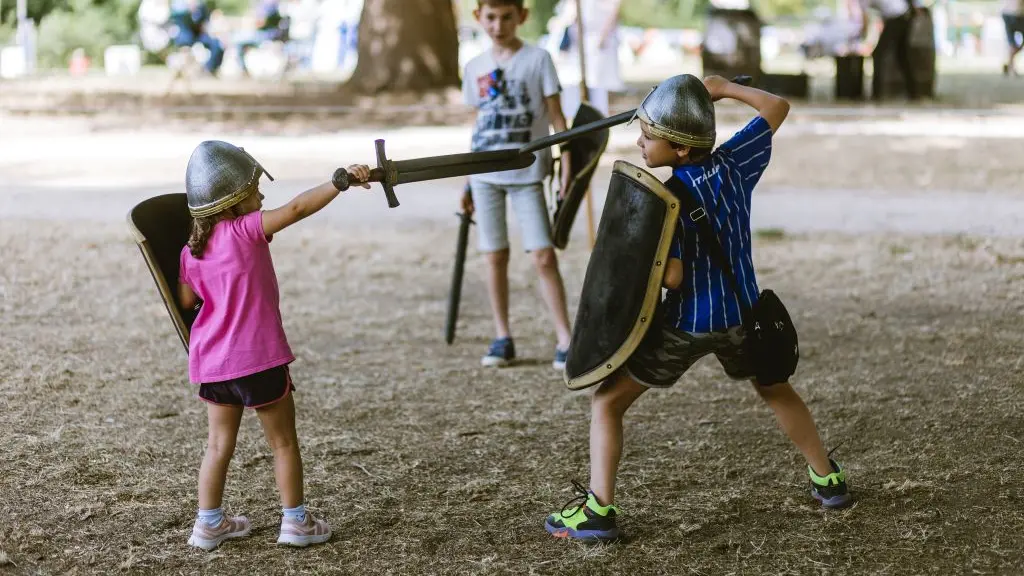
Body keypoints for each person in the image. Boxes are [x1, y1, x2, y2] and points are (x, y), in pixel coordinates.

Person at [544, 75, 852, 542]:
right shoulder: (736, 162)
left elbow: (672, 278)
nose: (640, 144)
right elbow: (777, 106)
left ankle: (598, 510)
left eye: (649, 137)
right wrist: (725, 88)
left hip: (689, 324)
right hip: (744, 316)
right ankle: (827, 479)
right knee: (775, 389)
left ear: (682, 150)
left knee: (607, 402)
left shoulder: (664, 201)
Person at [177, 140, 371, 550]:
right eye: (252, 190)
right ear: (230, 203)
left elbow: (186, 302)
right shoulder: (246, 230)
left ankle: (208, 524)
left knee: (216, 446)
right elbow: (297, 208)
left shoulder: (189, 252)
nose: (261, 196)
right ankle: (295, 522)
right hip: (259, 359)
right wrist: (339, 181)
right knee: (283, 442)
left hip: (214, 363)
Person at [461, 0, 574, 370]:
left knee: (542, 254)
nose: (498, 25)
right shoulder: (474, 67)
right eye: (490, 17)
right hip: (485, 175)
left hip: (526, 173)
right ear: (479, 18)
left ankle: (565, 338)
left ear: (521, 17)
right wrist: (467, 180)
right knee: (494, 255)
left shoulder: (538, 59)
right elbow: (479, 125)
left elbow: (558, 118)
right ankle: (502, 335)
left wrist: (567, 165)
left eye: (506, 17)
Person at [857, 0, 919, 100]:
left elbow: (865, 19)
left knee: (878, 54)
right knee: (902, 56)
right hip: (903, 15)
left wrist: (860, 38)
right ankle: (914, 92)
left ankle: (876, 94)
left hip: (896, 16)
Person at [168, 0, 225, 75]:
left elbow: (205, 22)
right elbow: (174, 18)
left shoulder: (201, 6)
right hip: (186, 36)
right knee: (185, 48)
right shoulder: (179, 7)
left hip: (200, 35)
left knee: (217, 44)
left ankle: (209, 68)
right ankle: (185, 70)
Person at [234, 0, 287, 76]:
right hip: (264, 34)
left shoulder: (270, 5)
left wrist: (254, 22)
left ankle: (243, 68)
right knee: (238, 40)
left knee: (239, 41)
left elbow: (261, 22)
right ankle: (243, 68)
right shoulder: (266, 4)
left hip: (266, 35)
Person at [1002, 0, 1024, 76]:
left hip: (1007, 13)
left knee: (1012, 44)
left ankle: (1010, 65)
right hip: (1018, 14)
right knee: (1013, 44)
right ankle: (1011, 66)